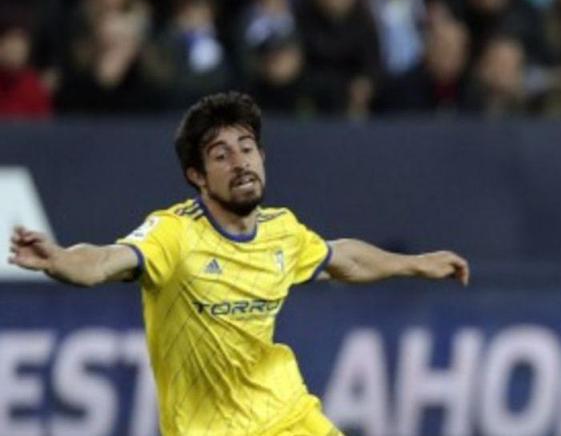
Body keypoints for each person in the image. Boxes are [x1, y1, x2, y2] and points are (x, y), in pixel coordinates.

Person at [6, 92, 470, 435]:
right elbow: (105, 261)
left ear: (263, 157)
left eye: (246, 148)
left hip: (289, 417)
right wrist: (61, 260)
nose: (240, 162)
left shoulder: (282, 229)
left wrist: (417, 263)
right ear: (198, 177)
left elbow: (341, 258)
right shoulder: (175, 234)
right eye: (220, 155)